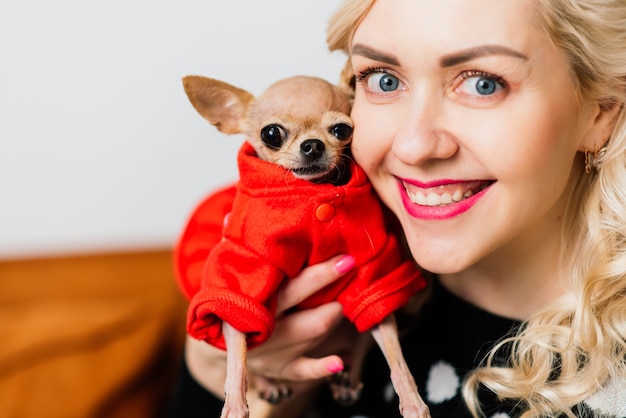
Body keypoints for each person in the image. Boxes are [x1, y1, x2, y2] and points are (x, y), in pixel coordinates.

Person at [168, 0, 626, 416]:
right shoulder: (334, 295)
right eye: (383, 80)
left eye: (484, 83)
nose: (412, 144)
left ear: (601, 110)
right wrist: (216, 379)